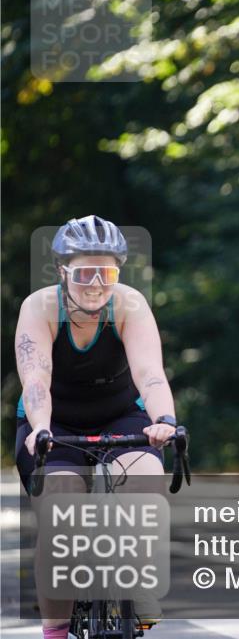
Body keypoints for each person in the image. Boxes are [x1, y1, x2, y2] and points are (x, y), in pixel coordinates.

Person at [14, 215, 180, 639]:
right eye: (84, 272)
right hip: (53, 422)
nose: (95, 283)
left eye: (105, 273)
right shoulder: (40, 308)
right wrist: (40, 428)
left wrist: (164, 421)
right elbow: (37, 380)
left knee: (144, 476)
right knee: (60, 510)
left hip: (120, 413)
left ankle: (136, 582)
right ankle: (56, 629)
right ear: (63, 271)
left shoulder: (129, 305)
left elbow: (151, 374)